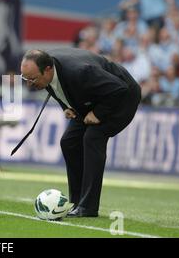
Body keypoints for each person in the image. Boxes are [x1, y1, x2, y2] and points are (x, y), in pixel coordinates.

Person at [20, 48, 141, 217]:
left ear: (48, 69)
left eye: (32, 79)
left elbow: (119, 89)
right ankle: (76, 203)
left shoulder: (80, 72)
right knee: (69, 142)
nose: (29, 84)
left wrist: (98, 113)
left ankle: (88, 207)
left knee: (93, 138)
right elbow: (55, 86)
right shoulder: (48, 69)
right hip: (94, 98)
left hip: (122, 98)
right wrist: (66, 106)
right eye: (25, 78)